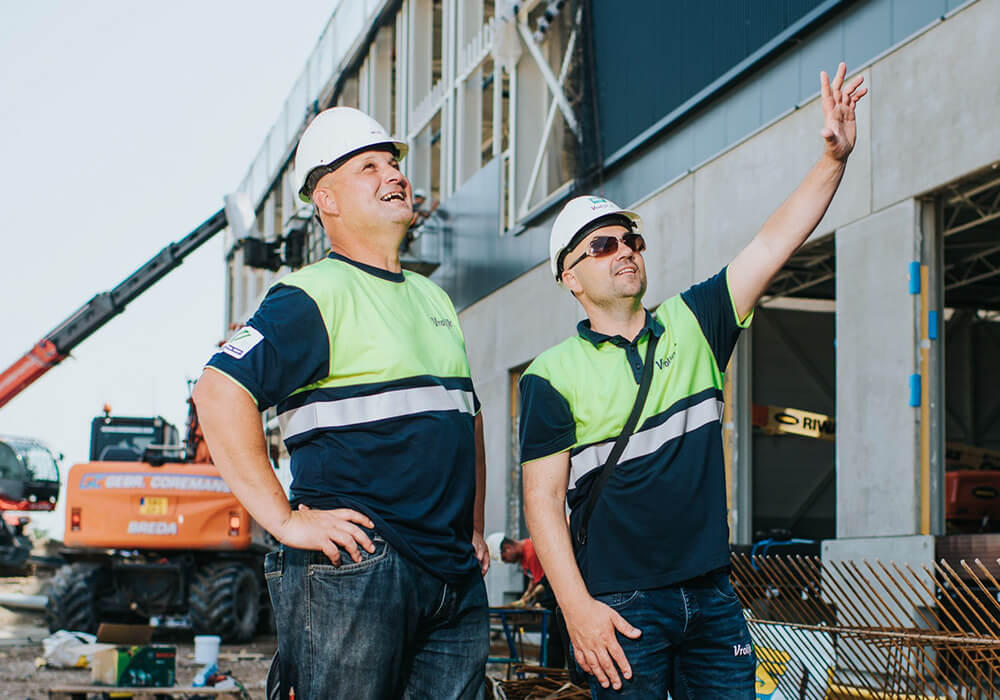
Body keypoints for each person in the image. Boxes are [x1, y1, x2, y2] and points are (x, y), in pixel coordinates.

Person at [518, 63, 866, 697]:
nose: (624, 249)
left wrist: (834, 161)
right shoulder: (550, 376)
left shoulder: (696, 322)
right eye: (601, 246)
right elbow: (542, 506)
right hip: (621, 606)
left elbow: (773, 242)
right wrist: (577, 610)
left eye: (631, 239)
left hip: (713, 596)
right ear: (570, 277)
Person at [192, 106, 490, 700]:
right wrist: (282, 520)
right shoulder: (309, 296)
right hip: (360, 566)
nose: (395, 175)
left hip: (452, 571)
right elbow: (218, 390)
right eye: (370, 166)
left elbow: (466, 418)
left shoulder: (433, 297)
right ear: (326, 199)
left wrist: (475, 527)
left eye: (395, 163)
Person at [500, 536, 546, 605]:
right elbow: (532, 578)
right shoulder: (523, 558)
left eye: (504, 558)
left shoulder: (530, 552)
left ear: (507, 548)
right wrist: (527, 593)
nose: (507, 562)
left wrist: (529, 598)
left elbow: (540, 584)